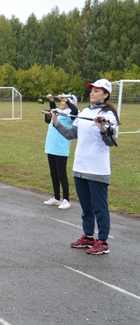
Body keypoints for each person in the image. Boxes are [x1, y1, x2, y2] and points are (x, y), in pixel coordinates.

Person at [52, 79, 119, 255]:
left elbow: (111, 141)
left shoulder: (109, 114)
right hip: (80, 167)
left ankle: (102, 242)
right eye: (91, 90)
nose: (92, 93)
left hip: (97, 169)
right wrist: (56, 122)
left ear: (105, 94)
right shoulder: (85, 111)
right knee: (86, 207)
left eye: (97, 91)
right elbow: (71, 134)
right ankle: (88, 237)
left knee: (99, 207)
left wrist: (103, 127)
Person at [43, 93, 79, 210]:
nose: (61, 102)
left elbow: (75, 110)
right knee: (54, 174)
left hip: (61, 149)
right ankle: (56, 198)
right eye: (62, 101)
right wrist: (51, 100)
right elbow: (53, 109)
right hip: (51, 147)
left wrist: (66, 99)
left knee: (61, 175)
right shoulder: (58, 110)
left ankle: (67, 200)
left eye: (64, 101)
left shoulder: (71, 114)